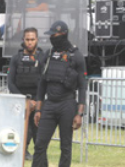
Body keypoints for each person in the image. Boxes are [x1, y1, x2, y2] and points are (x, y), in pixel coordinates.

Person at [32, 21, 87, 167]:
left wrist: (79, 114)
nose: (51, 38)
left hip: (67, 104)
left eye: (54, 35)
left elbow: (82, 87)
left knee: (65, 147)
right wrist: (38, 109)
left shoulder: (76, 56)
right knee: (39, 145)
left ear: (62, 34)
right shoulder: (48, 55)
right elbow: (42, 84)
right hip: (49, 104)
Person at [7, 28, 46, 161]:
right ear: (23, 40)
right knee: (18, 131)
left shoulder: (42, 58)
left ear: (37, 40)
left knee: (38, 132)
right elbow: (10, 83)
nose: (30, 42)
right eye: (27, 39)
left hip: (37, 101)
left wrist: (36, 102)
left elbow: (44, 81)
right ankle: (22, 152)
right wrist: (24, 101)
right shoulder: (16, 58)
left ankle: (39, 156)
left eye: (32, 39)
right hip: (19, 101)